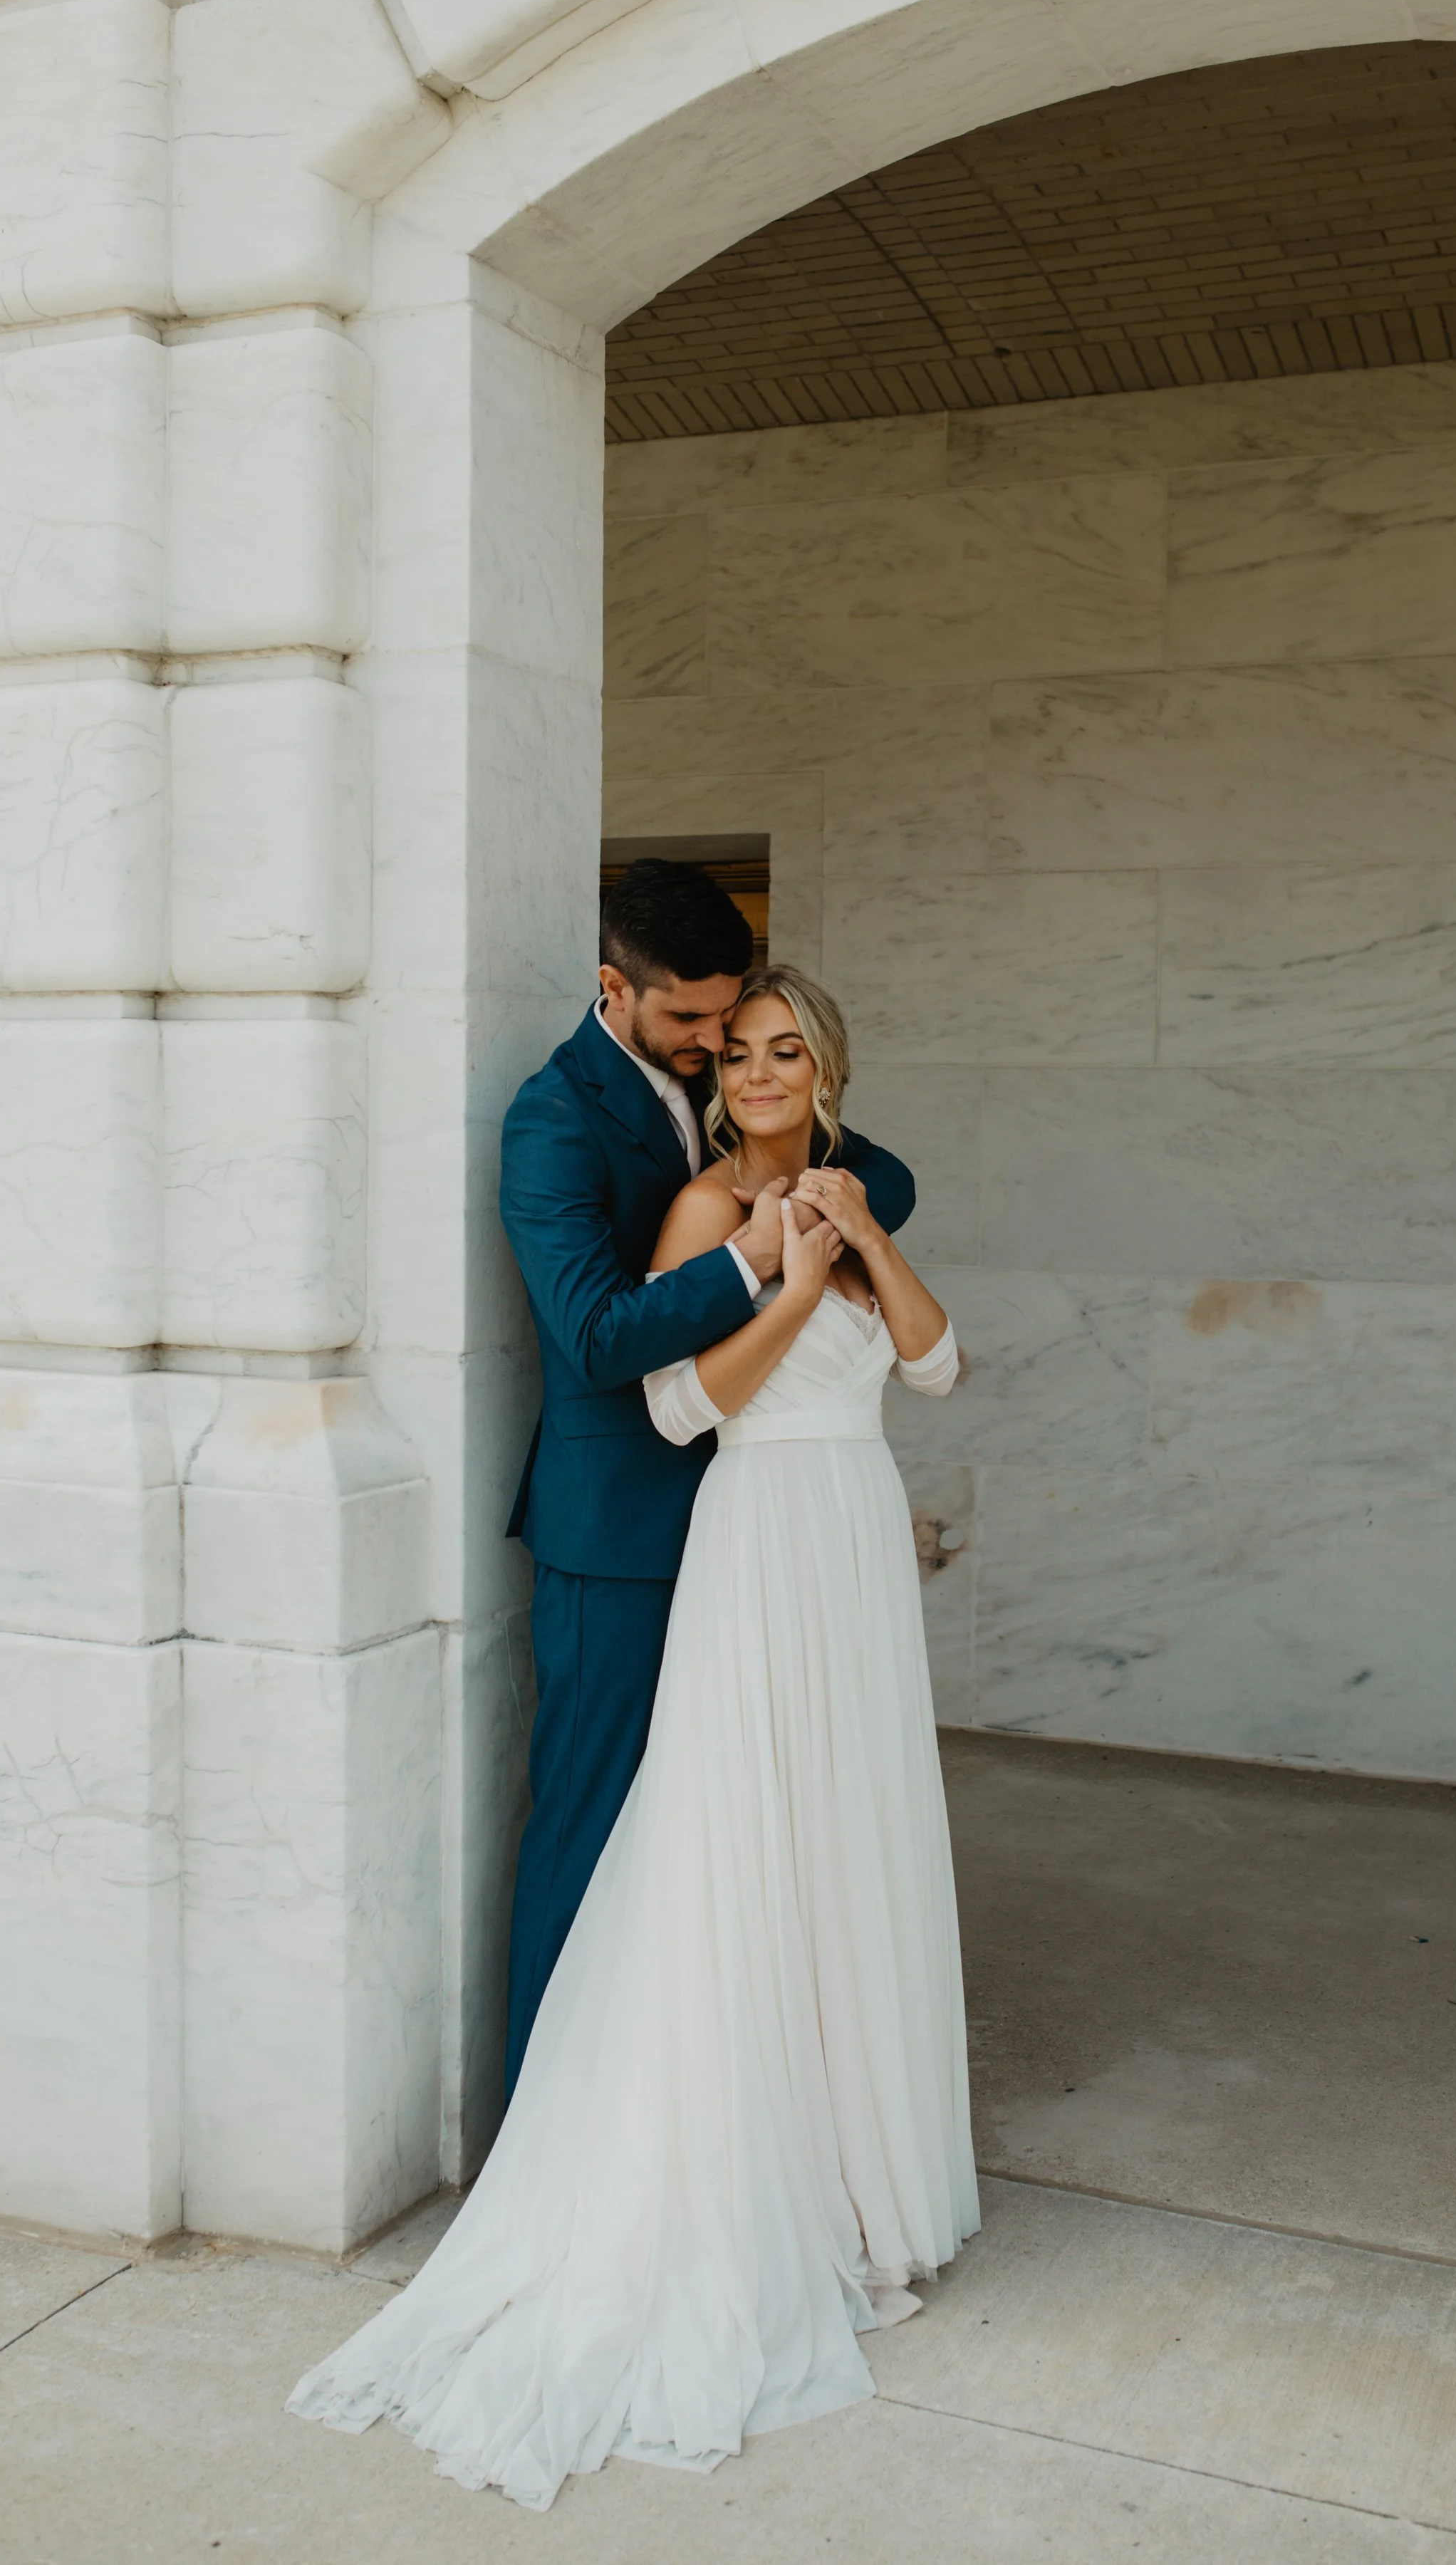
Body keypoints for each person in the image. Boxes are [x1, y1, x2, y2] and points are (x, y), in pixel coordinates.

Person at [288, 963, 979, 2507]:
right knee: (731, 1837)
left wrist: (855, 1233)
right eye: (733, 1050)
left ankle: (864, 2173)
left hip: (856, 1550)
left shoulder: (865, 1195)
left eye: (779, 1049)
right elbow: (679, 1408)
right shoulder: (692, 1212)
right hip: (754, 1538)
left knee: (849, 1841)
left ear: (826, 1064)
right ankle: (690, 2164)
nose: (750, 1072)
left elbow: (935, 1364)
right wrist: (785, 1275)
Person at [487, 859, 915, 2093]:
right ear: (614, 988)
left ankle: (719, 2102)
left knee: (743, 1842)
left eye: (736, 1030)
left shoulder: (727, 1089)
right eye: (693, 1024)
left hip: (754, 1530)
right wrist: (754, 1250)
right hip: (616, 1533)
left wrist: (801, 1184)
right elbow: (598, 1333)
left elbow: (884, 1173)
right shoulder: (551, 1117)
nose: (720, 1046)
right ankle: (547, 2128)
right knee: (596, 1830)